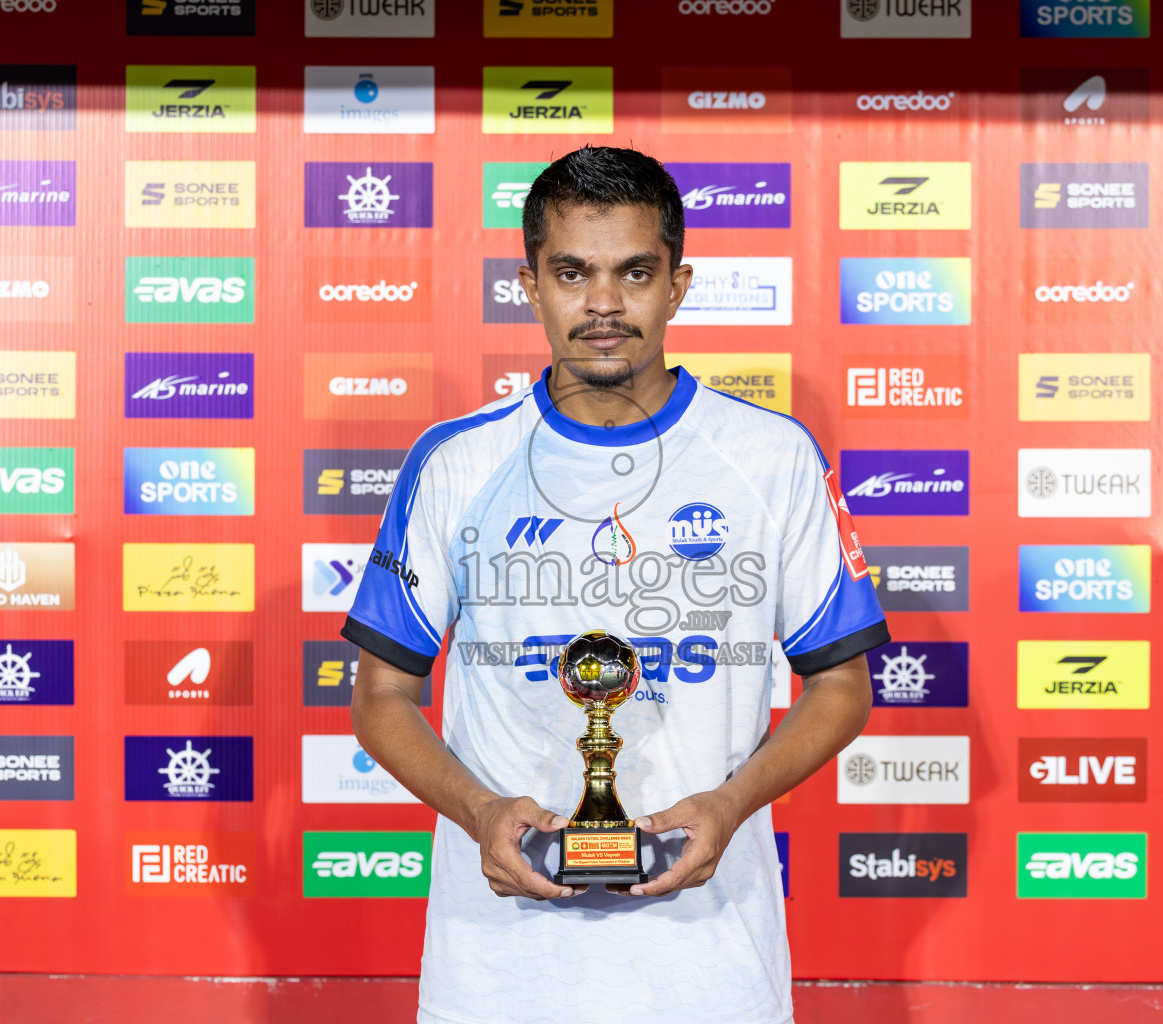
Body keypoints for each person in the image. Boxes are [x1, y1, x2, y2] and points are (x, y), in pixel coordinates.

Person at [345, 145, 889, 1024]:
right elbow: (381, 693)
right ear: (529, 284)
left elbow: (839, 685)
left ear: (677, 284)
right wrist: (482, 811)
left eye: (635, 272)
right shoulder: (455, 460)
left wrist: (728, 803)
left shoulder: (771, 457)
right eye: (573, 272)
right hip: (496, 973)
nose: (603, 304)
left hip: (713, 972)